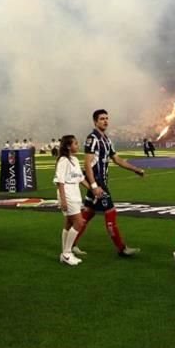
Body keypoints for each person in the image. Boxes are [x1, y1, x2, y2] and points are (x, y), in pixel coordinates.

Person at [73, 109, 145, 257]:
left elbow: (117, 159)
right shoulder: (92, 139)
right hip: (98, 183)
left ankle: (70, 245)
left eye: (107, 118)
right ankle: (122, 248)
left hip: (100, 183)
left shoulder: (106, 140)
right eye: (101, 119)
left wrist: (135, 169)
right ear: (95, 122)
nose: (105, 121)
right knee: (110, 213)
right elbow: (87, 164)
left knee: (87, 214)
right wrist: (94, 186)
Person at [54, 135, 86, 266]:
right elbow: (60, 181)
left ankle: (65, 253)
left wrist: (93, 189)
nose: (78, 146)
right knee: (79, 222)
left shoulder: (75, 159)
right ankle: (67, 253)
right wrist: (63, 200)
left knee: (68, 223)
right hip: (67, 193)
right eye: (75, 143)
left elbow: (80, 178)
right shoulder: (63, 160)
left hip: (75, 192)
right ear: (68, 146)